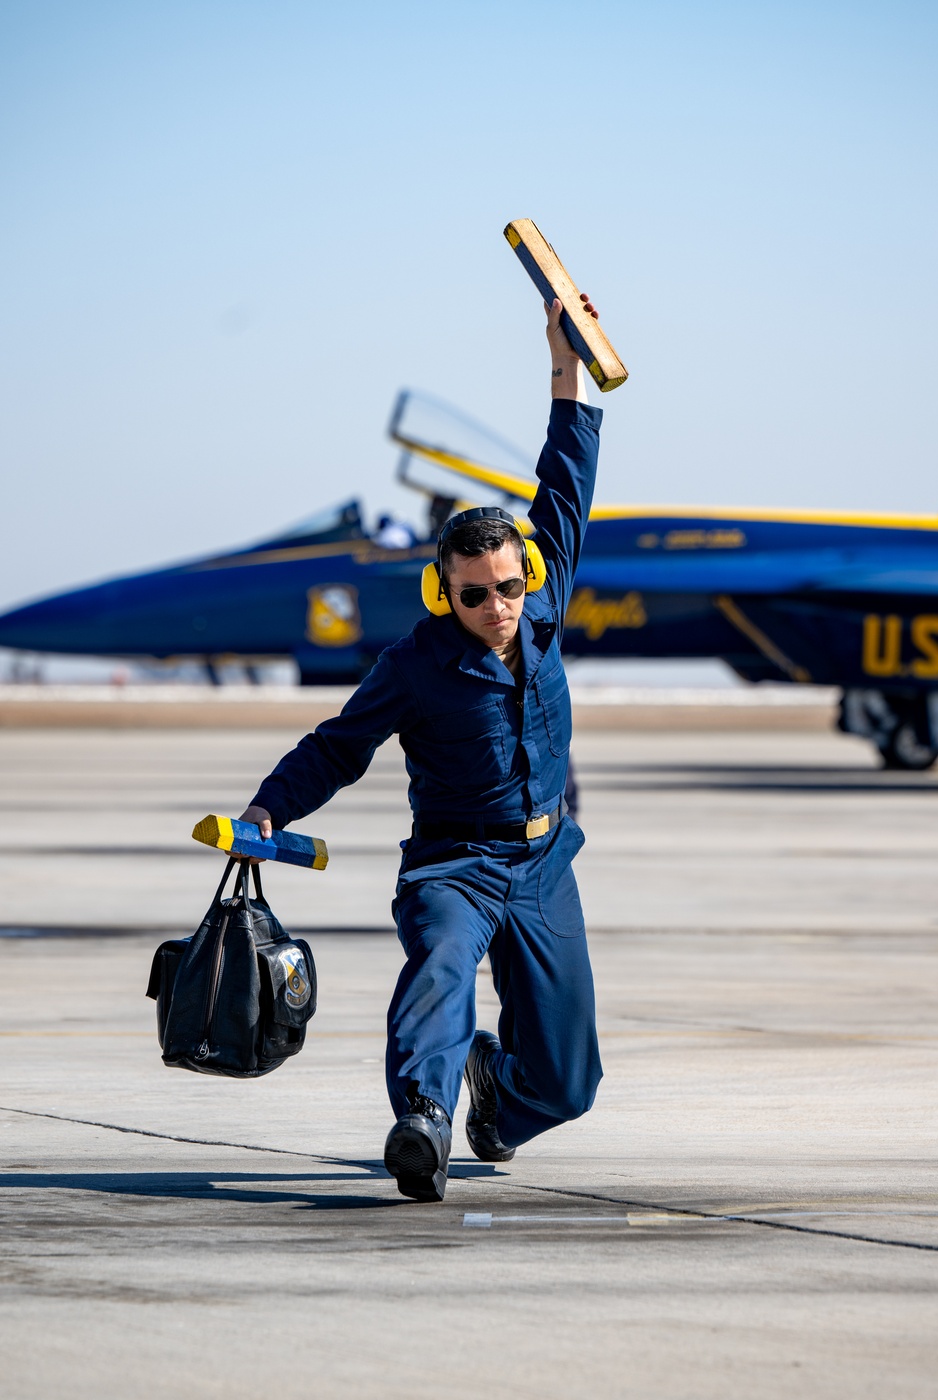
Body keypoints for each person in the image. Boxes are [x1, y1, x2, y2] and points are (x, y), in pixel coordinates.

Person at [239, 295, 605, 1201]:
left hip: (547, 861)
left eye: (511, 587)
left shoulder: (543, 606)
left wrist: (564, 364)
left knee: (569, 1082)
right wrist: (266, 808)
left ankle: (498, 1097)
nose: (500, 607)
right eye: (477, 594)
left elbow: (565, 478)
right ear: (445, 591)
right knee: (441, 967)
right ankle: (424, 1123)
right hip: (455, 863)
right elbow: (337, 747)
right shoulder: (414, 665)